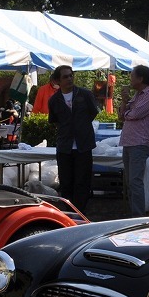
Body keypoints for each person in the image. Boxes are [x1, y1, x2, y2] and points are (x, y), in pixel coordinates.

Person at [47, 65, 100, 212]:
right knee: (66, 182)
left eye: (71, 75)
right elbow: (54, 120)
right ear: (58, 80)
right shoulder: (54, 100)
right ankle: (69, 213)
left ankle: (80, 213)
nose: (69, 78)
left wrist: (80, 126)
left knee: (82, 182)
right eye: (65, 76)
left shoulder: (85, 94)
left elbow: (92, 113)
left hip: (83, 145)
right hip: (65, 146)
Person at [118, 64, 149, 216]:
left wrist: (127, 111)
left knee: (135, 181)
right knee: (130, 181)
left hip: (139, 142)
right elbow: (122, 115)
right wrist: (124, 101)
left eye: (132, 75)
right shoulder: (138, 95)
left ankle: (138, 216)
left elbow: (134, 114)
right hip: (129, 142)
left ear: (140, 78)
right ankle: (134, 213)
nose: (130, 78)